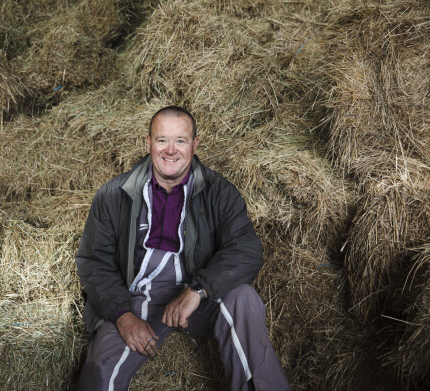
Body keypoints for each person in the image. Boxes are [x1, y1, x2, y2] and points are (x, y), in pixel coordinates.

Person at [75, 106, 290, 391]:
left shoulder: (219, 192)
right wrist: (122, 316)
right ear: (148, 142)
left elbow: (246, 249)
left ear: (194, 144)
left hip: (198, 295)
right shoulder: (114, 195)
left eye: (181, 141)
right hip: (137, 297)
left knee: (244, 298)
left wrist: (199, 290)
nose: (171, 150)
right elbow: (94, 261)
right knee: (101, 371)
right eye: (162, 140)